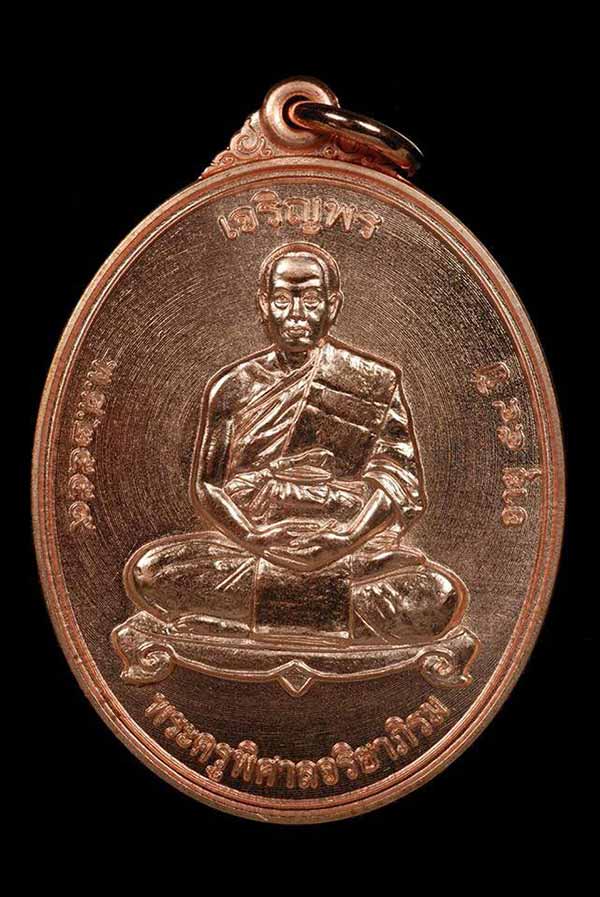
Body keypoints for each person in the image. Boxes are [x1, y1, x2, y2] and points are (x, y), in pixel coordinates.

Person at [123, 243, 467, 645]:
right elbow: (207, 487)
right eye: (283, 300)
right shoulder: (231, 387)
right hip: (251, 547)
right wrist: (255, 538)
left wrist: (344, 540)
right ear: (264, 305)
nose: (297, 315)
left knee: (437, 595)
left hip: (349, 546)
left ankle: (245, 620)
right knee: (150, 572)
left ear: (333, 306)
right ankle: (326, 614)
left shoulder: (374, 381)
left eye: (312, 300)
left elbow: (397, 480)